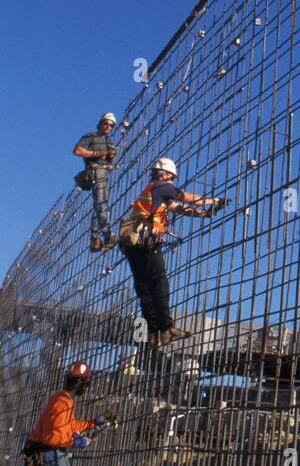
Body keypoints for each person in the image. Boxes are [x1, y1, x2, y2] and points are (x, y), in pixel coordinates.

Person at [119, 156, 224, 351]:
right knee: (159, 282)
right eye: (172, 178)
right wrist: (213, 200)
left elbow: (180, 208)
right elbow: (185, 198)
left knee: (144, 287)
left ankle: (154, 332)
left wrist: (205, 214)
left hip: (131, 243)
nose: (173, 182)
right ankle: (166, 328)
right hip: (145, 241)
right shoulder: (161, 186)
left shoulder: (152, 192)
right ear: (166, 174)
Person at [73, 112, 118, 252]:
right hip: (95, 171)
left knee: (99, 205)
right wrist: (96, 154)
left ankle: (95, 239)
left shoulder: (109, 142)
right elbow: (77, 150)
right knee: (101, 205)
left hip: (104, 173)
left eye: (111, 126)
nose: (108, 127)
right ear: (100, 123)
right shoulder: (91, 137)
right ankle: (108, 234)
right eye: (106, 123)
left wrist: (110, 157)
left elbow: (108, 161)